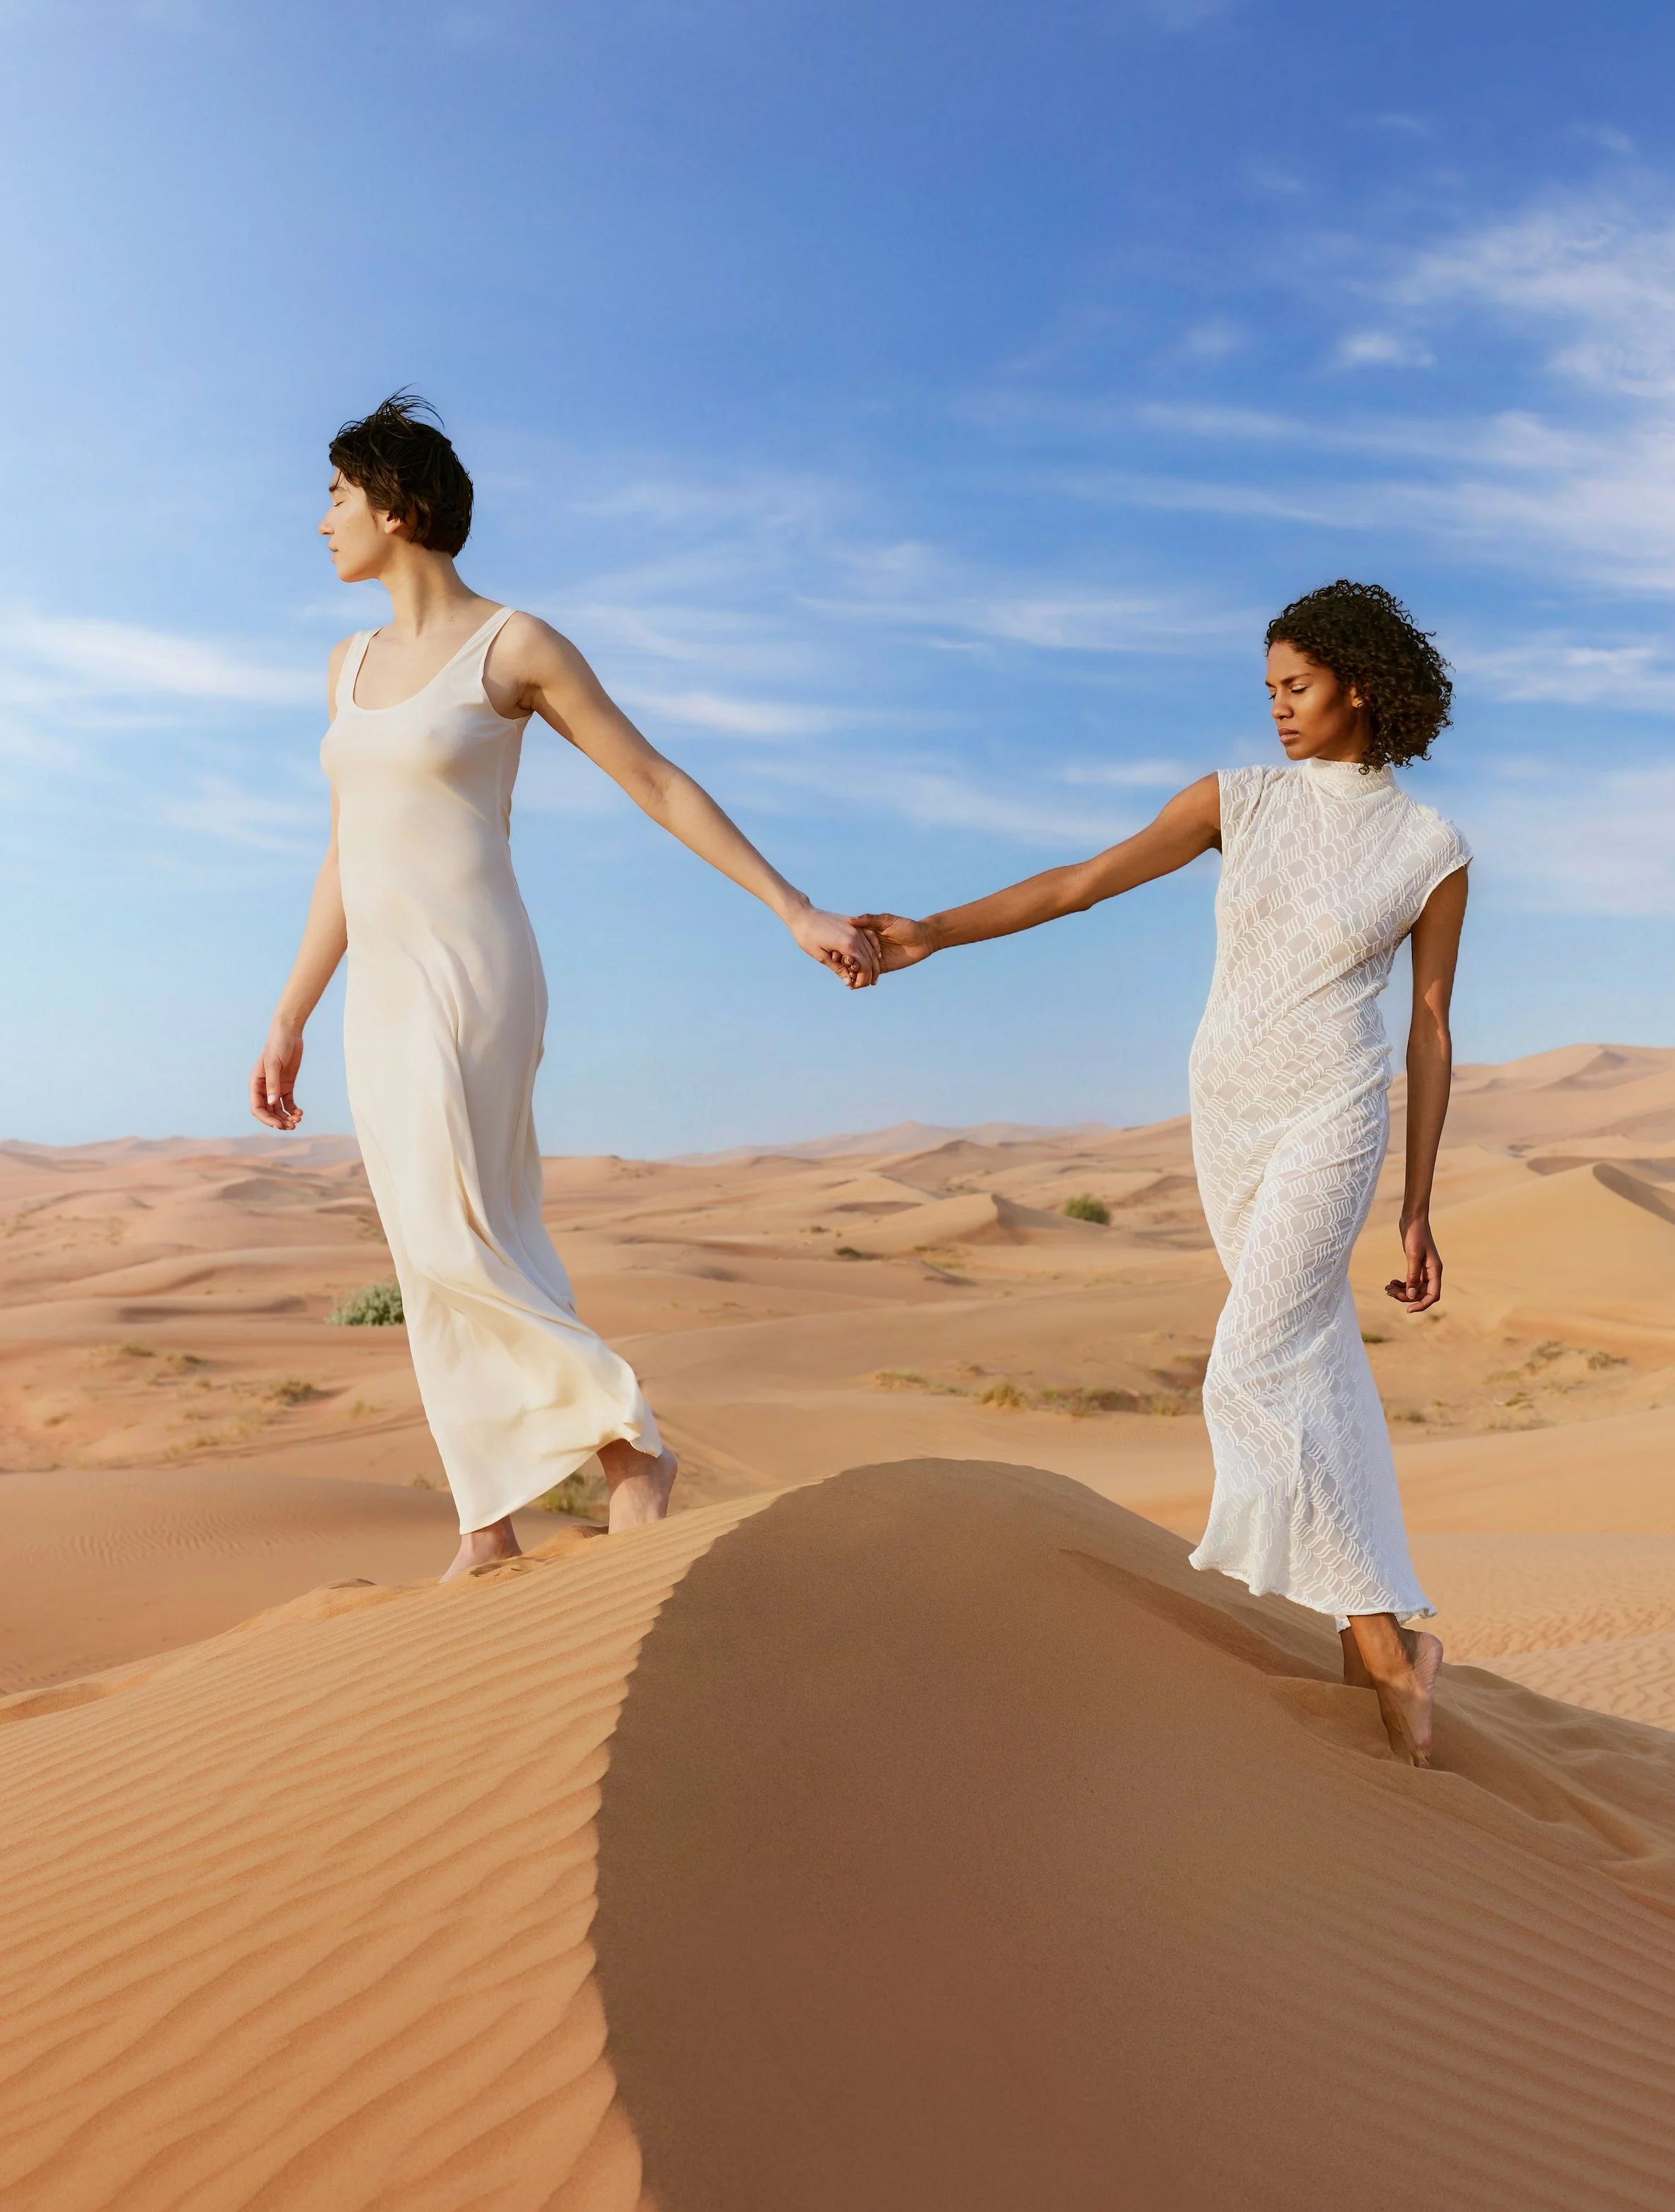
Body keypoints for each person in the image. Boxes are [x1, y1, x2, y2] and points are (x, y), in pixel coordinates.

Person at [251, 394, 878, 1578]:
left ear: (400, 507)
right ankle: (484, 1523)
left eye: (337, 495)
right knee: (426, 1241)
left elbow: (653, 778)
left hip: (473, 967)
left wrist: (791, 907)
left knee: (455, 1233)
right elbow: (346, 848)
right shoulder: (343, 665)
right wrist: (290, 1012)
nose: (320, 518)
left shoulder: (515, 645)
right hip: (378, 984)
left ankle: (628, 1443)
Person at [857, 580, 1469, 1767]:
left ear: (1361, 686)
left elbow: (1431, 1023)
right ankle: (1373, 1637)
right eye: (1270, 691)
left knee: (1251, 1362)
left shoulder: (1430, 847)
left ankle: (1389, 1643)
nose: (1278, 710)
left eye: (1296, 687)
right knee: (1315, 1366)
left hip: (1335, 1113)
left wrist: (1419, 1200)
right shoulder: (1234, 800)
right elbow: (1082, 881)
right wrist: (933, 928)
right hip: (1229, 1113)